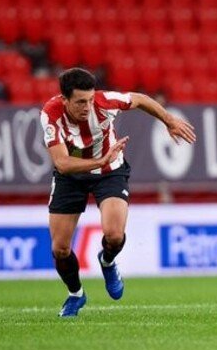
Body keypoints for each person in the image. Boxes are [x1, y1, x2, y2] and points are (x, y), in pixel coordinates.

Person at [41, 68, 197, 317]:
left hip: (109, 172)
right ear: (65, 99)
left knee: (114, 235)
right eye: (81, 102)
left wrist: (169, 121)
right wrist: (99, 160)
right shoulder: (51, 114)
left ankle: (107, 261)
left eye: (90, 100)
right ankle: (76, 294)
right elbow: (62, 163)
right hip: (71, 176)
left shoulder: (104, 102)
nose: (87, 106)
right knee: (60, 249)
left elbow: (140, 99)